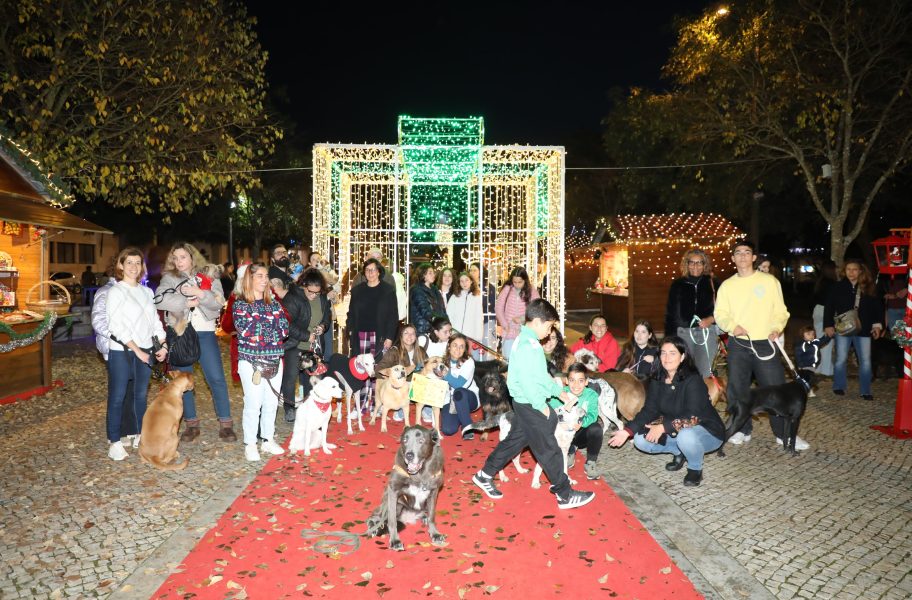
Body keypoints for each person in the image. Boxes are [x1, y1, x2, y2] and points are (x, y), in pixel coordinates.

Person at [472, 298, 596, 509]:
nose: (549, 332)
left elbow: (539, 376)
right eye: (549, 326)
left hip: (523, 403)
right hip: (530, 404)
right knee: (549, 448)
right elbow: (530, 382)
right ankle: (564, 494)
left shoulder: (527, 341)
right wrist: (541, 405)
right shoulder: (529, 346)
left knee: (514, 442)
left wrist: (558, 392)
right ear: (537, 321)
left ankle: (484, 475)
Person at [714, 241, 807, 449]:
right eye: (738, 253)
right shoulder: (727, 285)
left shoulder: (769, 281)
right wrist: (732, 326)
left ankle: (784, 435)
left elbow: (781, 311)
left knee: (776, 390)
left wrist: (776, 328)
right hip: (739, 343)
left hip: (765, 343)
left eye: (747, 252)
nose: (743, 256)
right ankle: (740, 429)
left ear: (754, 257)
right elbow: (720, 313)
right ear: (733, 258)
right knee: (738, 389)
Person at [608, 336, 725, 487]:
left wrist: (663, 428)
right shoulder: (658, 379)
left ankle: (695, 468)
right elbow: (649, 410)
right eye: (663, 353)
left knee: (685, 435)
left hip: (707, 431)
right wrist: (627, 431)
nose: (666, 357)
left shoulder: (693, 380)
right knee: (640, 440)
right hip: (675, 428)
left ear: (682, 357)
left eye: (672, 353)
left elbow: (693, 417)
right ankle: (679, 452)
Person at [155, 243, 235, 442]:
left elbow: (219, 302)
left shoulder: (209, 274)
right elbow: (159, 300)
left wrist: (200, 293)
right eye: (175, 258)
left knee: (216, 378)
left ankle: (226, 424)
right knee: (183, 380)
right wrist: (185, 301)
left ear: (192, 257)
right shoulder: (169, 278)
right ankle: (191, 424)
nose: (179, 261)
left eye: (183, 257)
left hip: (205, 333)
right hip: (180, 333)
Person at [105, 248, 168, 460]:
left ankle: (140, 434)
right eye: (129, 262)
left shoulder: (147, 292)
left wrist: (163, 344)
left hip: (146, 350)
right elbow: (115, 326)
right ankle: (115, 442)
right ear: (121, 265)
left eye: (137, 263)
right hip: (122, 351)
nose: (133, 267)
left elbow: (154, 321)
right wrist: (137, 350)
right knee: (118, 396)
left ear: (142, 267)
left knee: (140, 395)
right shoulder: (116, 292)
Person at [233, 263, 290, 461]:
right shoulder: (240, 304)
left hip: (274, 360)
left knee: (271, 402)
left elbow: (284, 330)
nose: (265, 279)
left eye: (266, 276)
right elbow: (247, 331)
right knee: (253, 403)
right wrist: (270, 329)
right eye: (260, 276)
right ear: (249, 279)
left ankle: (268, 440)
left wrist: (262, 328)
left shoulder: (274, 304)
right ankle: (250, 443)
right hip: (251, 362)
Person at [824, 259, 884, 400]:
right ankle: (839, 386)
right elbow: (829, 306)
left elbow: (877, 308)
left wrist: (877, 325)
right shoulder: (837, 287)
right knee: (841, 359)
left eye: (855, 269)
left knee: (866, 361)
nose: (851, 272)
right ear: (844, 271)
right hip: (843, 329)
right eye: (848, 269)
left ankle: (865, 390)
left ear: (860, 271)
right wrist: (828, 325)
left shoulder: (868, 288)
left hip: (864, 329)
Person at [664, 249, 719, 378]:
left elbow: (724, 309)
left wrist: (711, 319)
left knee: (705, 373)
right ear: (687, 264)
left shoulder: (713, 283)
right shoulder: (677, 284)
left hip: (706, 333)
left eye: (699, 262)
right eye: (692, 262)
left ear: (704, 264)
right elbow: (670, 313)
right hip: (683, 334)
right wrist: (670, 338)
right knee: (683, 372)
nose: (695, 266)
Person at [375, 323, 430, 423]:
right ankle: (400, 409)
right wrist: (389, 379)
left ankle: (425, 407)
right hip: (401, 385)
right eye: (406, 333)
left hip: (417, 384)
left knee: (429, 380)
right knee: (406, 385)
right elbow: (379, 368)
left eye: (412, 333)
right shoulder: (394, 351)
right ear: (401, 336)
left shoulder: (421, 350)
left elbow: (428, 368)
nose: (410, 336)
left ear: (416, 337)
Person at [346, 258, 398, 356]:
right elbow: (351, 313)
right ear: (364, 273)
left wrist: (389, 337)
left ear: (378, 272)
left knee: (376, 364)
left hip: (380, 335)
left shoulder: (388, 290)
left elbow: (393, 316)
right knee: (361, 363)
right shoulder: (357, 290)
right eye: (367, 270)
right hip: (360, 334)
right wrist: (350, 330)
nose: (370, 273)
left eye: (373, 269)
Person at [559, 363, 603, 480]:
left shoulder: (591, 395)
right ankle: (570, 451)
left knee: (596, 428)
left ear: (586, 382)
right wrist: (561, 423)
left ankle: (591, 463)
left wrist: (581, 422)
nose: (576, 385)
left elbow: (593, 415)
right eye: (572, 380)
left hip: (580, 432)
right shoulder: (561, 393)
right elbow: (552, 410)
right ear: (566, 381)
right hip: (563, 433)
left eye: (580, 381)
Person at [440, 334, 481, 439]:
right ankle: (461, 413)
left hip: (469, 397)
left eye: (461, 346)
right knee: (448, 430)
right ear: (449, 346)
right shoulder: (441, 361)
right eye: (455, 345)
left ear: (465, 349)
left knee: (459, 392)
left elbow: (458, 384)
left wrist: (445, 374)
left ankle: (467, 427)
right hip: (450, 400)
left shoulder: (469, 362)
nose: (458, 349)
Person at [495, 266, 539, 359]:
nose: (517, 284)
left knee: (524, 359)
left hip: (525, 333)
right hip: (509, 332)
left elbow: (537, 309)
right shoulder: (507, 289)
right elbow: (498, 307)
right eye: (514, 282)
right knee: (508, 359)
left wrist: (523, 318)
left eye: (520, 282)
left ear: (525, 280)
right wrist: (504, 324)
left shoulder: (532, 291)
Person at [219, 263, 250, 383]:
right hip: (250, 348)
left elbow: (227, 325)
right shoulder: (269, 295)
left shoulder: (236, 297)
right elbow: (226, 325)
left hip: (249, 347)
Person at [446, 271, 483, 356]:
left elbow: (478, 317)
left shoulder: (476, 298)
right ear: (459, 283)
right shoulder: (455, 297)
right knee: (454, 355)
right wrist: (450, 331)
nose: (464, 283)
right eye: (461, 281)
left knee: (466, 356)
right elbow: (449, 315)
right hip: (455, 334)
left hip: (470, 335)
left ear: (471, 281)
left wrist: (478, 336)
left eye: (466, 280)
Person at [811, 260, 837, 377]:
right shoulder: (833, 284)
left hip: (817, 310)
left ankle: (820, 367)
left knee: (820, 340)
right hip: (827, 311)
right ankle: (826, 369)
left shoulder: (819, 282)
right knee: (828, 341)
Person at [409, 262, 447, 337]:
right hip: (423, 329)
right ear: (423, 275)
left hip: (436, 327)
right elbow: (423, 309)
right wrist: (437, 320)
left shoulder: (434, 289)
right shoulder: (417, 290)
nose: (433, 275)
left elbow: (442, 309)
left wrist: (446, 322)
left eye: (433, 272)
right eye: (430, 273)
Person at [469, 263, 498, 358]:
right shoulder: (468, 287)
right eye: (470, 270)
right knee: (474, 347)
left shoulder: (489, 288)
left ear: (480, 272)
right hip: (472, 323)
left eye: (474, 270)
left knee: (487, 346)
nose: (472, 272)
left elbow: (494, 305)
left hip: (487, 321)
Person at [794, 325, 831, 398]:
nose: (811, 336)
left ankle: (806, 390)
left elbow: (823, 340)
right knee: (808, 379)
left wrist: (828, 336)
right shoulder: (801, 345)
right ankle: (805, 391)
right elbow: (798, 355)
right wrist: (800, 365)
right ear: (803, 335)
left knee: (808, 379)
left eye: (813, 334)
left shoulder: (815, 342)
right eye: (808, 334)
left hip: (813, 366)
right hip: (805, 366)